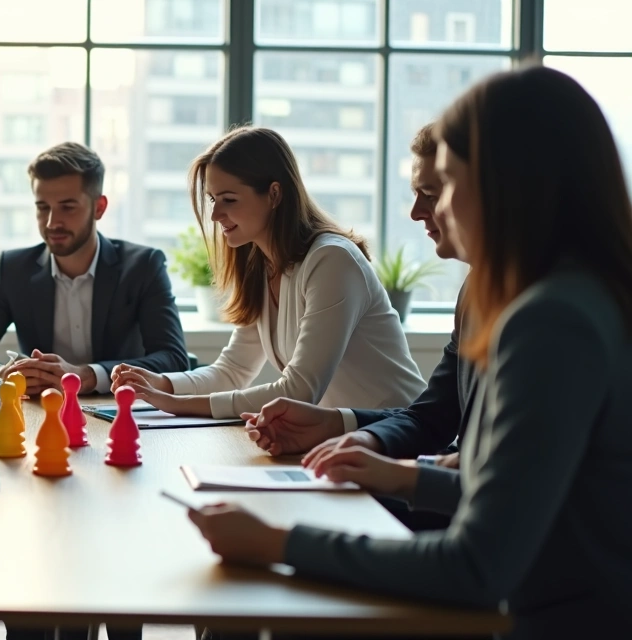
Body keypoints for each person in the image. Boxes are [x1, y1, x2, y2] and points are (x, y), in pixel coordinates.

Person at [187, 66, 632, 639]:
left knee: (260, 596)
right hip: (538, 601)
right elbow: (527, 494)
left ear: (507, 184)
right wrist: (401, 475)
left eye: (446, 184)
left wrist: (278, 543)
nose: (432, 211)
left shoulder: (553, 321)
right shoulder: (556, 295)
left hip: (548, 621)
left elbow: (477, 565)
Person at [242, 124, 475, 531]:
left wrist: (395, 475)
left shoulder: (550, 313)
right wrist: (338, 426)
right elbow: (432, 417)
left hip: (488, 536)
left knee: (280, 522)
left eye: (433, 193)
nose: (416, 212)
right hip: (456, 499)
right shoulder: (476, 291)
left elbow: (505, 492)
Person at [111, 126, 424, 418]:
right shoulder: (262, 266)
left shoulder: (332, 260)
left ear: (274, 194)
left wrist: (175, 403)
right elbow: (232, 371)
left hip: (402, 437)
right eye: (213, 200)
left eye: (229, 199)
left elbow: (300, 391)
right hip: (344, 440)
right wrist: (160, 384)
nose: (216, 214)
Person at [0, 142, 188, 397]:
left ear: (99, 207)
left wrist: (88, 376)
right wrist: (0, 375)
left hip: (119, 411)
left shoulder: (143, 267)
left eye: (67, 207)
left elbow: (174, 359)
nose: (51, 222)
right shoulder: (14, 270)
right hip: (41, 413)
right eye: (42, 207)